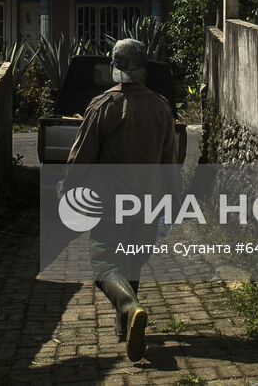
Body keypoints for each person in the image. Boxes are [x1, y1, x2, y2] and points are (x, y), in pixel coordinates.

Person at [66, 38, 179, 363]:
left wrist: (69, 190)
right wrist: (174, 201)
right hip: (147, 205)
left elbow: (80, 160)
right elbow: (168, 162)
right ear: (143, 67)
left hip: (110, 205)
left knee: (104, 265)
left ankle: (129, 307)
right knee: (131, 262)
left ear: (114, 67)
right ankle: (125, 325)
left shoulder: (103, 106)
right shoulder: (161, 107)